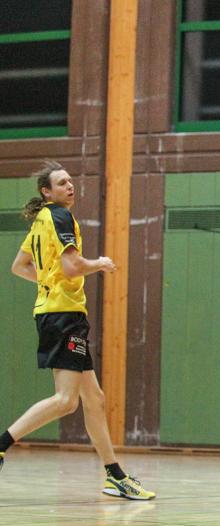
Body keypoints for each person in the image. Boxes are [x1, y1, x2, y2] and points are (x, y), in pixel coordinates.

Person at [1, 161, 155, 500]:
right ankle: (2, 444)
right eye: (61, 183)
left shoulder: (42, 220)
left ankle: (115, 475)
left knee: (94, 400)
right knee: (67, 401)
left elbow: (19, 267)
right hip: (63, 317)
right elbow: (72, 267)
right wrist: (98, 263)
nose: (70, 186)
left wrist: (49, 283)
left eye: (70, 181)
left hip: (58, 313)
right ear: (47, 191)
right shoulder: (58, 217)